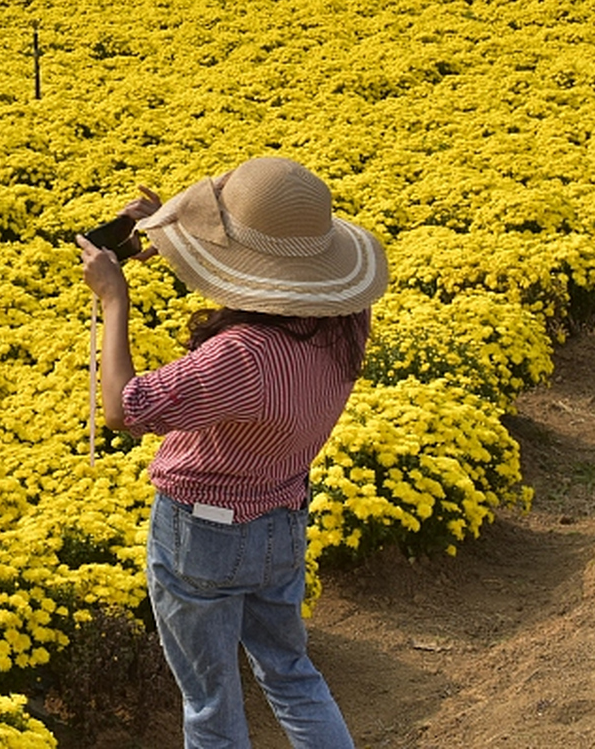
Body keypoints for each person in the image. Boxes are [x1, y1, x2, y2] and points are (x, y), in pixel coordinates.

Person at [77, 156, 387, 749]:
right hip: (280, 524)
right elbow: (268, 290)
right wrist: (165, 238)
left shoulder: (240, 357)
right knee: (291, 675)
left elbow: (124, 408)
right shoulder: (344, 318)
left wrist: (114, 297)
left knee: (211, 706)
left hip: (202, 536)